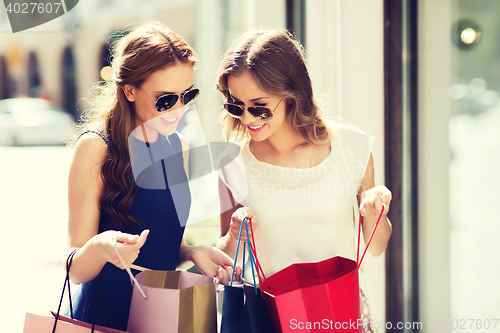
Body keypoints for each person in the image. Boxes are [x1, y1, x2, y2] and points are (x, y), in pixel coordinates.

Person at [215, 29, 393, 330]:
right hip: (272, 320)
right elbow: (224, 261)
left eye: (259, 107)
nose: (247, 119)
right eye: (236, 105)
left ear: (291, 93)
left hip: (341, 317)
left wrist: (375, 214)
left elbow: (375, 247)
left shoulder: (351, 147)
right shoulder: (232, 164)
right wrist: (234, 235)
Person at [67, 22, 237, 331]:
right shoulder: (96, 147)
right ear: (129, 90)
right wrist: (102, 247)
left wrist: (192, 251)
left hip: (163, 315)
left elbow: (164, 237)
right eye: (165, 99)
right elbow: (75, 269)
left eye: (187, 95)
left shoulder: (179, 146)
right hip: (107, 318)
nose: (178, 109)